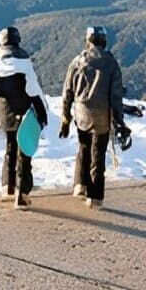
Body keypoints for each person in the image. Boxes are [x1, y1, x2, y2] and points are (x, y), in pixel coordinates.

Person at [60, 26, 125, 209]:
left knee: (84, 147)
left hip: (82, 112)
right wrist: (118, 121)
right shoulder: (111, 64)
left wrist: (65, 117)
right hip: (102, 116)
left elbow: (68, 91)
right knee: (98, 154)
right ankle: (95, 197)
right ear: (104, 41)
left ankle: (80, 185)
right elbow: (116, 96)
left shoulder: (78, 61)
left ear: (88, 40)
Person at [0, 26, 49, 210]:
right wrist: (43, 113)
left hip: (3, 110)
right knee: (25, 151)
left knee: (10, 147)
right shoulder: (23, 58)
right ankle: (22, 195)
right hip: (24, 111)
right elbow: (33, 88)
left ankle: (7, 187)